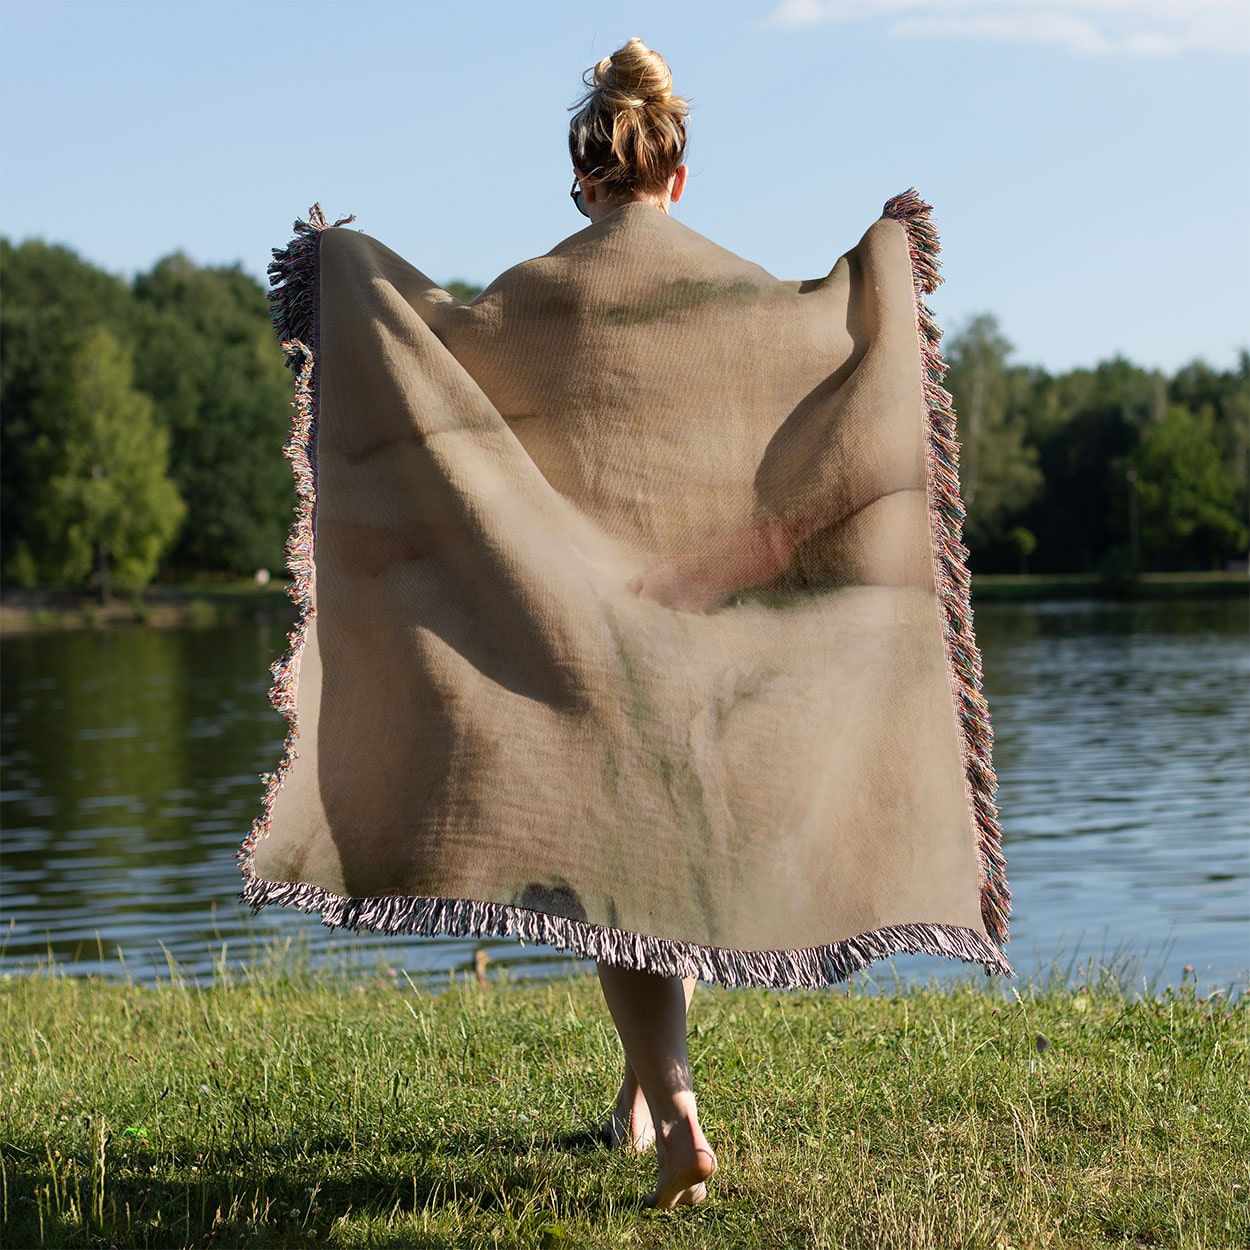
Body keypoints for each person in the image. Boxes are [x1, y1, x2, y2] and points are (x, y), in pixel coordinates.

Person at [564, 37, 718, 1212]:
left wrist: (345, 279)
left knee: (614, 884)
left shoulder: (542, 288)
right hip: (704, 622)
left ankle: (676, 1116)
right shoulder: (727, 288)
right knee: (659, 866)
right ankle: (633, 1099)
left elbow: (441, 377)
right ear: (676, 174)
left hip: (587, 621)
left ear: (584, 179)